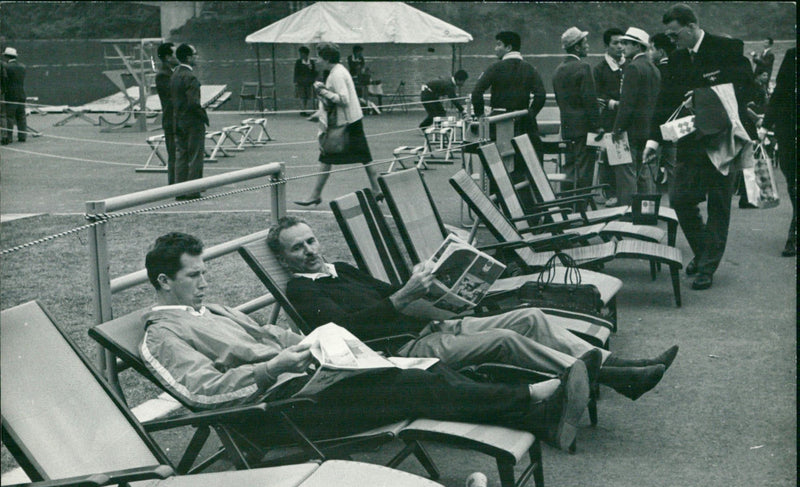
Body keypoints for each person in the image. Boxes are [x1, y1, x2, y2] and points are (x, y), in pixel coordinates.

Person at [139, 232, 592, 451]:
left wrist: (317, 345)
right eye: (194, 275)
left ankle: (538, 416)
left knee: (421, 370)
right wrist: (274, 368)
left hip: (312, 385)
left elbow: (278, 335)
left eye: (205, 272)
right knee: (413, 383)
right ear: (163, 281)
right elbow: (200, 393)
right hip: (277, 413)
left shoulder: (215, 311)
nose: (204, 282)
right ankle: (534, 400)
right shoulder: (163, 334)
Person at [269, 216, 679, 403]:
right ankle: (613, 376)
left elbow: (390, 293)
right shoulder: (300, 290)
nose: (308, 251)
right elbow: (347, 329)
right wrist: (403, 297)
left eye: (310, 241)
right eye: (297, 248)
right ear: (285, 259)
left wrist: (430, 288)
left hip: (432, 324)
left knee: (530, 317)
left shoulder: (340, 268)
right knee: (504, 340)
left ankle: (619, 365)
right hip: (402, 349)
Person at [643, 4, 756, 291]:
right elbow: (665, 101)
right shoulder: (678, 59)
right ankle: (706, 252)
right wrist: (653, 140)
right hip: (690, 142)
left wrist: (706, 97)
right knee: (680, 198)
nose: (671, 40)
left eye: (674, 33)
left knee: (719, 203)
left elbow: (748, 88)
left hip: (723, 139)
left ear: (691, 27)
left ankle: (707, 267)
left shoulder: (727, 48)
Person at [294, 43, 380, 206]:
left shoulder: (337, 74)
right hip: (352, 120)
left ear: (326, 59)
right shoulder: (337, 71)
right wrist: (319, 113)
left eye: (319, 57)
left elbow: (343, 99)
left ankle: (315, 195)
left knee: (327, 156)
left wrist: (322, 91)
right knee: (363, 157)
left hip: (346, 123)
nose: (317, 60)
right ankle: (376, 189)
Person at [471, 31, 547, 162]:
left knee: (498, 161)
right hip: (522, 120)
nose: (495, 49)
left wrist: (481, 116)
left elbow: (477, 93)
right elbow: (541, 95)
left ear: (508, 48)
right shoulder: (529, 68)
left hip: (498, 120)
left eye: (498, 45)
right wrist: (530, 114)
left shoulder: (495, 67)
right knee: (525, 160)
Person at [611, 27, 661, 205]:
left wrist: (617, 129)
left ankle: (628, 210)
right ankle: (647, 211)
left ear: (638, 47)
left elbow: (627, 104)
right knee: (644, 172)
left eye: (626, 43)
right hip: (647, 129)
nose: (622, 47)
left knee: (627, 173)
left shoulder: (633, 68)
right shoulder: (654, 68)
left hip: (631, 130)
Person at [553, 27, 602, 189]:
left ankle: (566, 203)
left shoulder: (558, 70)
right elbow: (589, 100)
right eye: (585, 43)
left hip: (567, 127)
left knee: (569, 168)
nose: (588, 46)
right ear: (577, 47)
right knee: (585, 170)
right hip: (584, 129)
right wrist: (597, 126)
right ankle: (581, 204)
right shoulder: (584, 67)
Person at [763, 46, 796, 257]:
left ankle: (794, 233)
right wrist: (765, 125)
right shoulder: (793, 55)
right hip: (789, 130)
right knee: (791, 179)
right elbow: (780, 91)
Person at [593, 28, 626, 206]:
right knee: (610, 157)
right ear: (607, 46)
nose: (620, 46)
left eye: (623, 42)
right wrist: (614, 103)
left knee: (628, 158)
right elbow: (597, 96)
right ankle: (612, 193)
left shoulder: (629, 65)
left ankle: (627, 194)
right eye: (615, 43)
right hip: (609, 119)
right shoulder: (599, 69)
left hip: (629, 119)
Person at [171, 43, 208, 195]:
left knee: (181, 155)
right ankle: (193, 190)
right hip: (192, 121)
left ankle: (179, 189)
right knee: (195, 155)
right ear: (188, 57)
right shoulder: (190, 77)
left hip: (178, 119)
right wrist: (203, 115)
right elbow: (193, 103)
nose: (196, 57)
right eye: (194, 55)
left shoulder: (175, 74)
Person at [648, 33, 678, 196]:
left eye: (652, 49)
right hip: (674, 124)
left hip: (657, 125)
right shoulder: (678, 68)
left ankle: (651, 203)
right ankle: (676, 205)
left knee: (651, 165)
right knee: (673, 167)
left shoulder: (657, 71)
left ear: (661, 52)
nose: (650, 53)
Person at [155, 42, 179, 185]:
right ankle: (173, 184)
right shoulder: (163, 75)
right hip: (171, 119)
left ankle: (181, 182)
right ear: (168, 57)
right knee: (173, 154)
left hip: (177, 118)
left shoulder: (173, 71)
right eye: (175, 54)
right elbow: (171, 99)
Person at [1, 47, 26, 145]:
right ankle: (22, 136)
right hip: (21, 93)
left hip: (10, 95)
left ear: (7, 57)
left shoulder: (6, 67)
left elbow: (5, 81)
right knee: (21, 116)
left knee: (9, 117)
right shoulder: (23, 66)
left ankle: (9, 137)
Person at [293, 46, 316, 116]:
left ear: (306, 54)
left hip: (308, 82)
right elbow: (296, 72)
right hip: (301, 82)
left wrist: (313, 80)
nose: (300, 55)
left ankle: (304, 109)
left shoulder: (311, 62)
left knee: (307, 96)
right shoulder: (298, 62)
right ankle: (303, 110)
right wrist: (295, 81)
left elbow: (313, 72)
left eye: (301, 53)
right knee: (302, 96)